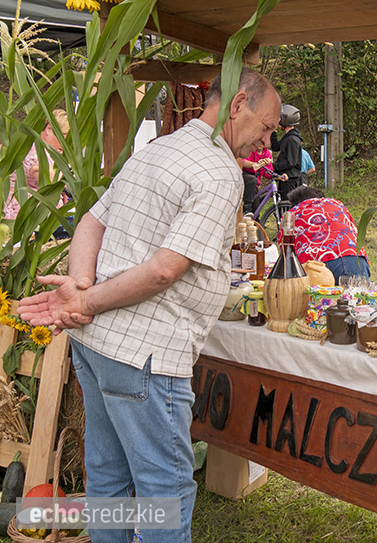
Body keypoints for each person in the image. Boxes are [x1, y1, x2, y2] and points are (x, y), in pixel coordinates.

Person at [18, 67, 281, 543]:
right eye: (264, 128)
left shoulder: (159, 147)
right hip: (146, 356)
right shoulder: (220, 172)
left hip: (96, 348)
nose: (263, 144)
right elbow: (165, 269)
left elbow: (90, 224)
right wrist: (87, 299)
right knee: (165, 491)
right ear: (238, 104)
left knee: (107, 477)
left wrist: (79, 292)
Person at [284, 185, 370, 281]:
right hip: (352, 257)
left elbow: (285, 251)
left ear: (294, 203)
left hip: (314, 266)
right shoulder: (337, 205)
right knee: (356, 294)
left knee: (316, 296)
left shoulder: (292, 214)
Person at [3, 109, 70, 220]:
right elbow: (47, 176)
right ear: (49, 129)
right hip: (22, 209)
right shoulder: (31, 149)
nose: (66, 144)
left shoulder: (51, 151)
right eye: (64, 137)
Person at [270, 103, 303, 200]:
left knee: (287, 208)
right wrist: (273, 132)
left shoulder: (292, 139)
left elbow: (291, 162)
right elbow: (276, 147)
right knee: (282, 207)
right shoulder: (288, 137)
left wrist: (273, 166)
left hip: (290, 180)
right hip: (285, 177)